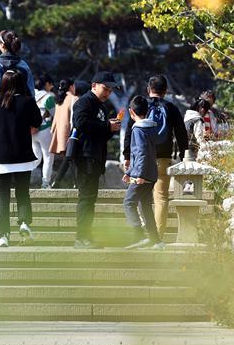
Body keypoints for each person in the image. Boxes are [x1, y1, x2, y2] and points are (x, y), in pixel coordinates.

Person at [0, 69, 42, 248]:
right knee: (23, 193)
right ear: (22, 83)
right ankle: (24, 223)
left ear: (3, 83)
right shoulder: (28, 102)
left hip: (0, 159)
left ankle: (3, 236)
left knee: (2, 197)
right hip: (23, 158)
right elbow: (37, 122)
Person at [123, 75, 188, 237]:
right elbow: (181, 133)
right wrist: (183, 153)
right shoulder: (171, 108)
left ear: (148, 90)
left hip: (140, 162)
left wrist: (127, 156)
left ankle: (142, 234)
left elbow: (130, 133)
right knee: (160, 197)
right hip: (162, 158)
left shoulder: (140, 106)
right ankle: (157, 235)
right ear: (165, 91)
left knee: (140, 198)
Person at [71, 72, 122, 249]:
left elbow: (99, 133)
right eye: (105, 88)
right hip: (85, 157)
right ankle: (81, 238)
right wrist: (107, 125)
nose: (107, 93)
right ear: (94, 85)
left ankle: (86, 236)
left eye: (110, 90)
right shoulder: (84, 102)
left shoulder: (101, 105)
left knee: (90, 198)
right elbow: (81, 123)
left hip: (94, 156)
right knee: (86, 198)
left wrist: (111, 128)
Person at [121, 95, 163, 250]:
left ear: (131, 112)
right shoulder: (151, 128)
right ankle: (156, 240)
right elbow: (142, 154)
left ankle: (139, 235)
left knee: (128, 202)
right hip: (150, 173)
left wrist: (138, 175)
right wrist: (131, 172)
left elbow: (142, 153)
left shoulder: (138, 129)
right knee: (145, 206)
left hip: (143, 174)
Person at [49, 79, 78, 188]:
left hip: (59, 132)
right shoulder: (73, 99)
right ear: (71, 86)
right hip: (70, 132)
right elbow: (74, 118)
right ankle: (76, 183)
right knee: (72, 157)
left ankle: (57, 181)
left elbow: (55, 118)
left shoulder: (59, 99)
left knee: (69, 157)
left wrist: (53, 132)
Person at [31, 74, 56, 189]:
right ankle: (45, 183)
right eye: (51, 85)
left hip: (31, 131)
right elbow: (54, 114)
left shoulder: (31, 94)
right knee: (48, 157)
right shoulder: (48, 97)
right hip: (44, 129)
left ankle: (22, 178)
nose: (52, 87)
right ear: (46, 84)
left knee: (35, 158)